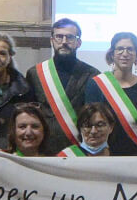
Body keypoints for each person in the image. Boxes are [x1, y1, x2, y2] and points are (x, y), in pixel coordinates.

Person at [83, 31, 137, 157]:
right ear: (112, 54)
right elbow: (89, 122)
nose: (125, 54)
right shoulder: (96, 85)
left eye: (130, 49)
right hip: (105, 156)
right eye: (120, 49)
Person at [27, 18, 100, 150]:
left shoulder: (92, 74)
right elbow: (30, 115)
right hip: (44, 149)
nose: (64, 42)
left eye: (70, 37)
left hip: (80, 149)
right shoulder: (35, 74)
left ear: (78, 42)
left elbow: (95, 116)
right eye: (59, 37)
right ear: (52, 40)